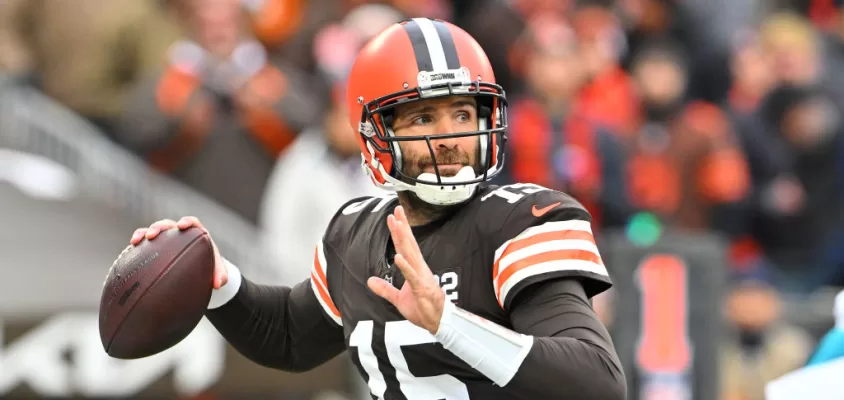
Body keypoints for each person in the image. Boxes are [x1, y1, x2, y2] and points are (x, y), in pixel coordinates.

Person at [128, 18, 626, 399]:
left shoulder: (523, 220)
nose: (451, 136)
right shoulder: (356, 232)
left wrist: (448, 324)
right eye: (424, 117)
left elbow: (597, 381)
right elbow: (290, 338)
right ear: (375, 136)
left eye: (462, 113)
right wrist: (219, 283)